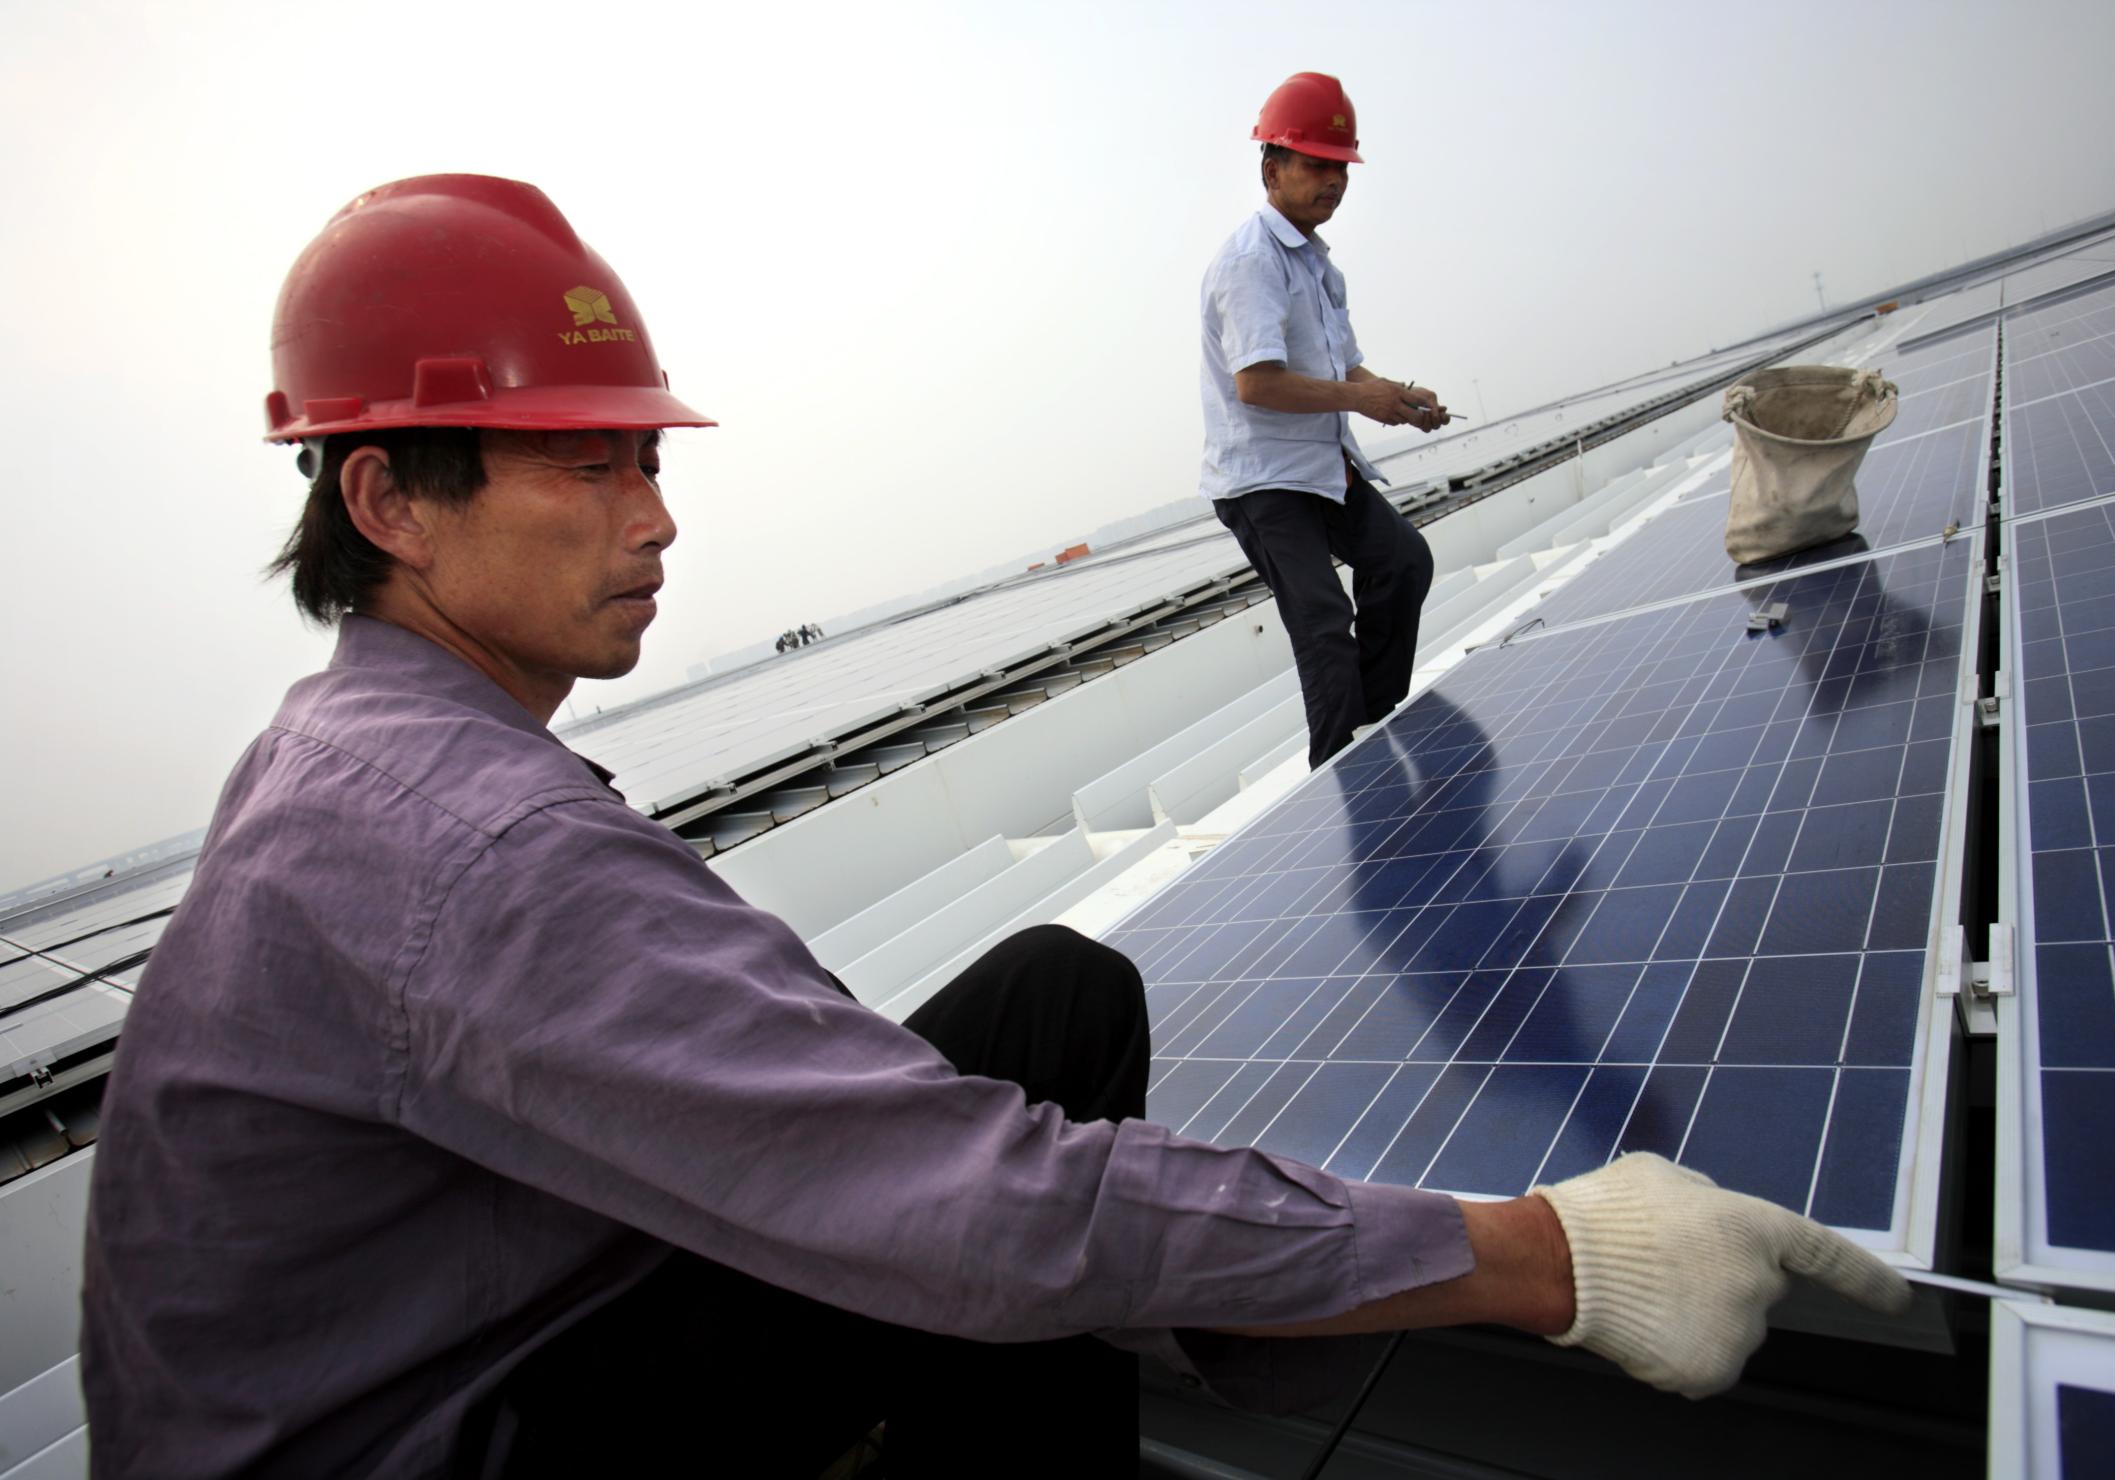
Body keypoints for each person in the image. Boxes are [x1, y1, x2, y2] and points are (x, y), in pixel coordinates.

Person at [80, 174, 1908, 1480]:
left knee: (1047, 996)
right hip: (449, 1437)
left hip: (485, 1352)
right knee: (986, 1225)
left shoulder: (354, 756)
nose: (656, 518)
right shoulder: (462, 844)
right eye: (590, 461)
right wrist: (1549, 1259)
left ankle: (1207, 1323)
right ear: (392, 496)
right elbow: (964, 1201)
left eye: (650, 456)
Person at [1201, 72, 1453, 768]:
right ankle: (1339, 772)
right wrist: (1359, 400)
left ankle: (1371, 731)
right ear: (1272, 169)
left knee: (1402, 563)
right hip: (1265, 482)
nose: (1333, 181)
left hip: (1321, 464)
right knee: (1321, 622)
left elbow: (1348, 372)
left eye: (1340, 168)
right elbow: (1257, 384)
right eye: (1316, 165)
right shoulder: (1251, 263)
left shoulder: (1316, 264)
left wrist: (1400, 396)